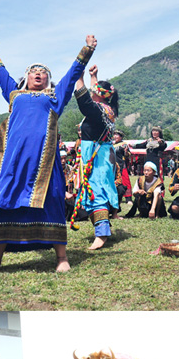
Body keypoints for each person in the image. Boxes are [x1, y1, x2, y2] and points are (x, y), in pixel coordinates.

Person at [0, 34, 96, 274]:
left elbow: (72, 74)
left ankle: (61, 258)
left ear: (48, 79)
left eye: (43, 72)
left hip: (45, 165)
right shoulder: (14, 95)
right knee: (2, 206)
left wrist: (87, 49)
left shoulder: (54, 97)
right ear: (26, 78)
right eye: (34, 71)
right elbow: (2, 77)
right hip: (13, 164)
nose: (39, 74)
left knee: (51, 204)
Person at [72, 60, 119, 250]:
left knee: (96, 190)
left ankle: (102, 234)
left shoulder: (98, 110)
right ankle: (101, 227)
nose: (92, 92)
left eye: (94, 90)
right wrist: (93, 77)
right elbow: (94, 96)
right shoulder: (107, 109)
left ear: (98, 95)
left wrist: (79, 77)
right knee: (94, 189)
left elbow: (85, 102)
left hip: (96, 156)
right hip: (102, 153)